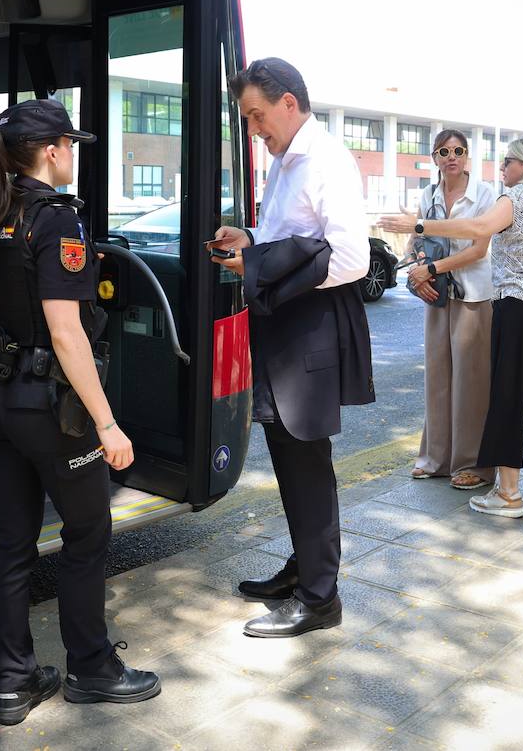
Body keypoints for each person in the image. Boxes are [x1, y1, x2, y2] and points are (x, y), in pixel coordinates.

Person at [0, 99, 159, 725]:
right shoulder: (55, 221)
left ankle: (14, 682)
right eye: (70, 145)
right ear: (51, 151)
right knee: (87, 533)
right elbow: (67, 332)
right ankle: (92, 669)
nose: (74, 154)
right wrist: (106, 424)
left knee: (11, 542)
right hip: (47, 406)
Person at [209, 58, 373, 639]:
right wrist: (252, 242)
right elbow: (289, 240)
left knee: (306, 458)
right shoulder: (283, 160)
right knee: (287, 453)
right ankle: (305, 568)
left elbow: (353, 258)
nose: (255, 130)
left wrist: (260, 265)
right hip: (284, 325)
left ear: (287, 102)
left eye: (257, 116)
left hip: (311, 326)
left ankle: (321, 596)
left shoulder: (325, 158)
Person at [381, 136, 523, 519]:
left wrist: (418, 224)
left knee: (506, 396)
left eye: (509, 162)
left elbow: (479, 229)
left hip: (520, 306)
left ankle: (508, 493)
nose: (503, 169)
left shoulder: (515, 198)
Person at [406, 128, 497, 490]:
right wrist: (418, 273)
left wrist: (431, 269)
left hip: (474, 295)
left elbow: (478, 249)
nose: (452, 157)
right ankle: (436, 458)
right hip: (437, 295)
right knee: (438, 378)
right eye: (444, 152)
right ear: (435, 158)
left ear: (467, 156)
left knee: (471, 383)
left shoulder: (485, 194)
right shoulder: (427, 196)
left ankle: (473, 464)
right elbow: (415, 240)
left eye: (458, 150)